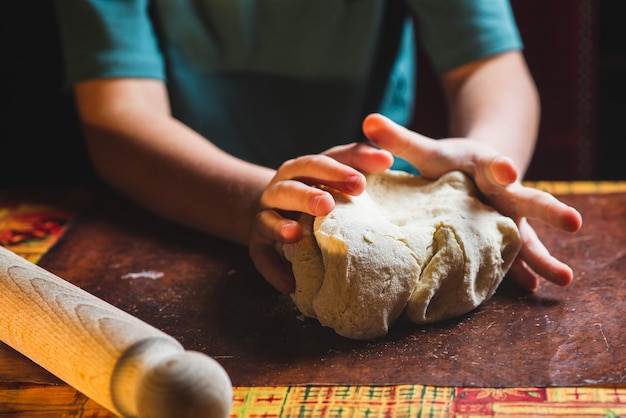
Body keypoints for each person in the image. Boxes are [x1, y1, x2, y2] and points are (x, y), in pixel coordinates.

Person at [54, 0, 582, 295]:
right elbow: (118, 121)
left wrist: (478, 171)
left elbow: (490, 71)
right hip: (184, 214)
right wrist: (253, 199)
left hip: (385, 213)